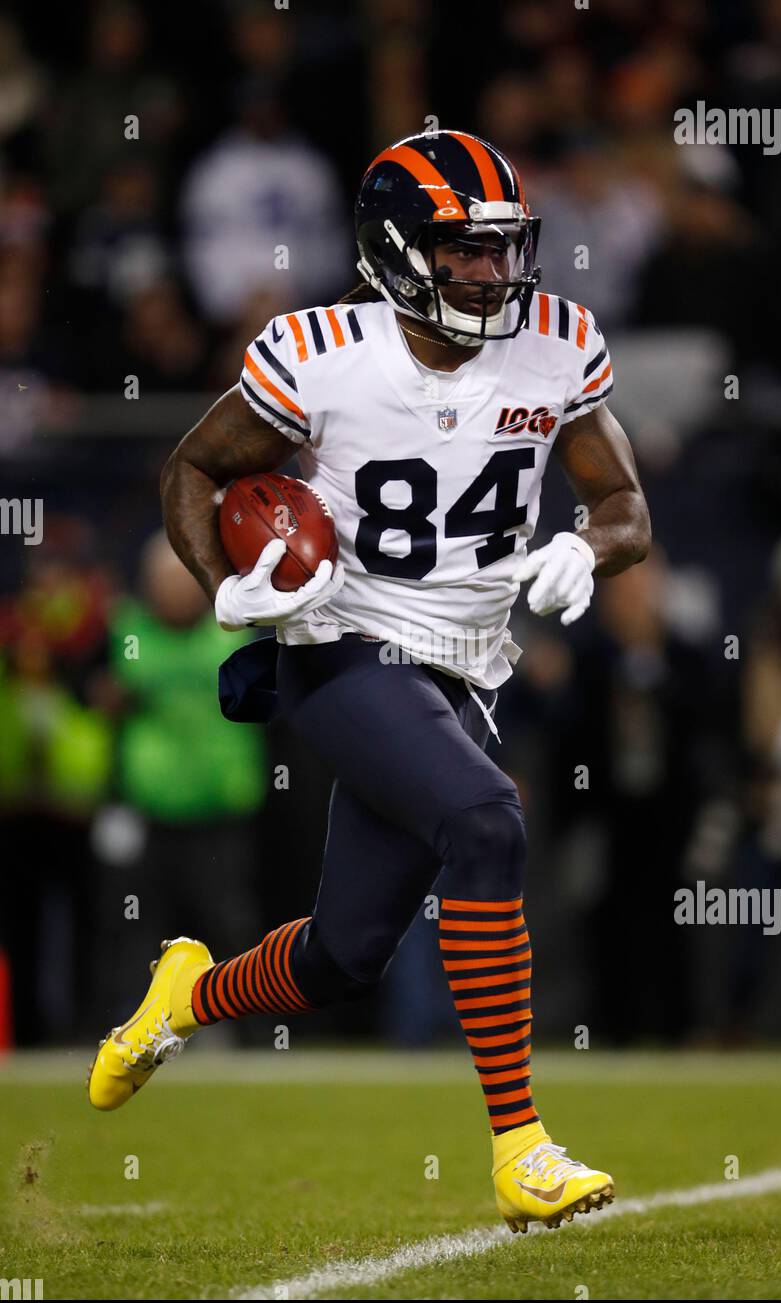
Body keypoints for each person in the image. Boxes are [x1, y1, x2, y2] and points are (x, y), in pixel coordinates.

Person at [88, 130, 651, 1233]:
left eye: (502, 250)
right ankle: (520, 1149)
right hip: (341, 646)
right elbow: (193, 468)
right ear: (396, 253)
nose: (492, 275)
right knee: (486, 820)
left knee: (342, 953)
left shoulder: (555, 346)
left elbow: (623, 503)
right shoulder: (319, 351)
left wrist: (590, 547)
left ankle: (181, 998)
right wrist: (227, 586)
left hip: (465, 677)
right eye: (463, 251)